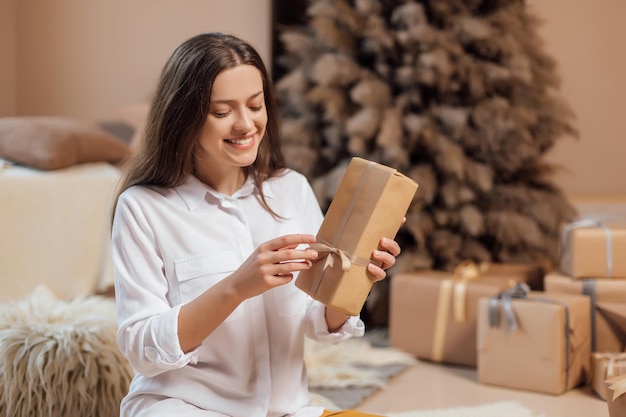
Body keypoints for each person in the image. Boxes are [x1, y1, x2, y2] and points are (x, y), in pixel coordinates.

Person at [111, 32, 402, 417]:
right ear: (183, 117)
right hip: (182, 408)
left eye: (255, 105)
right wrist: (236, 287)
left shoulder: (291, 190)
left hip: (287, 411)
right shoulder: (143, 208)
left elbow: (318, 322)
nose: (246, 124)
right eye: (222, 112)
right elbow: (141, 347)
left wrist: (358, 276)